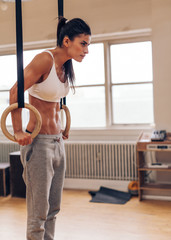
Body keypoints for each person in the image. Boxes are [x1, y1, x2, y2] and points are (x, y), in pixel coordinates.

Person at [10, 17, 91, 240]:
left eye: (88, 45)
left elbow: (54, 101)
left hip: (57, 141)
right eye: (83, 44)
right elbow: (15, 91)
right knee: (39, 213)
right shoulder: (44, 60)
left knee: (53, 209)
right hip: (39, 143)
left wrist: (62, 127)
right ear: (67, 41)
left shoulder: (65, 66)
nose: (86, 50)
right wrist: (17, 131)